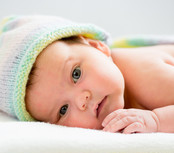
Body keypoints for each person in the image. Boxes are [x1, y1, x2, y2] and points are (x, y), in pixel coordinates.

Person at [0, 15, 174, 133]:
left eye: (76, 74)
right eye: (63, 110)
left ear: (98, 47)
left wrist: (156, 120)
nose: (81, 101)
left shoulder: (146, 74)